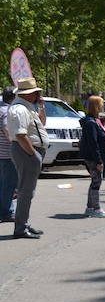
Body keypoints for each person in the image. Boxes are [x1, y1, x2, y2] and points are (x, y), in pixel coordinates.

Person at [7, 77, 50, 238]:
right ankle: (20, 228)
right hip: (26, 151)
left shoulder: (27, 107)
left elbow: (42, 123)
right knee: (26, 192)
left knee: (27, 191)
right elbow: (20, 135)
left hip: (28, 151)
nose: (37, 94)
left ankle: (23, 224)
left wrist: (41, 106)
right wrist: (33, 155)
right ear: (27, 94)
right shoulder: (20, 109)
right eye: (35, 92)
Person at [79, 96, 105, 217]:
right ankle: (96, 208)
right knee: (97, 182)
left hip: (97, 156)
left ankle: (90, 207)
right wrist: (98, 160)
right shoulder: (90, 123)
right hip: (93, 157)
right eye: (101, 104)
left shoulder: (95, 120)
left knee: (95, 181)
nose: (103, 106)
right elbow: (93, 143)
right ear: (96, 106)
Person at [0, 87, 16, 223]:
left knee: (2, 184)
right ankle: (6, 212)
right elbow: (6, 129)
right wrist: (15, 141)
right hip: (7, 154)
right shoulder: (7, 111)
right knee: (8, 184)